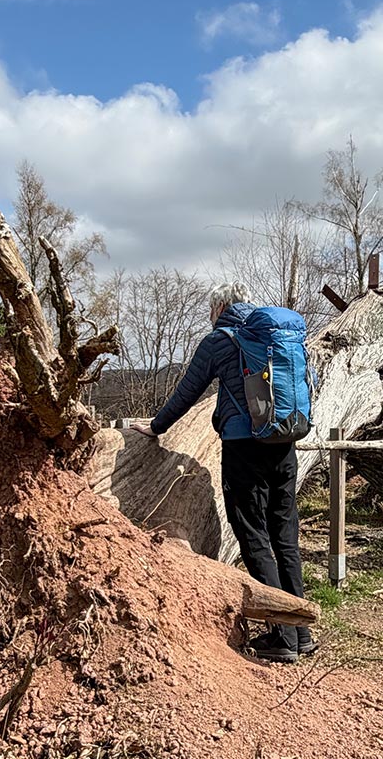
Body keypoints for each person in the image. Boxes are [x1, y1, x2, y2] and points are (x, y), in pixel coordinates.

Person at [129, 283, 313, 663]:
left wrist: (156, 427)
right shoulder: (274, 337)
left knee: (253, 533)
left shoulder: (220, 340)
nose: (210, 314)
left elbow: (187, 391)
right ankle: (302, 631)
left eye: (211, 308)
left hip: (244, 449)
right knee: (284, 535)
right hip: (284, 442)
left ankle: (282, 636)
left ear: (220, 306)